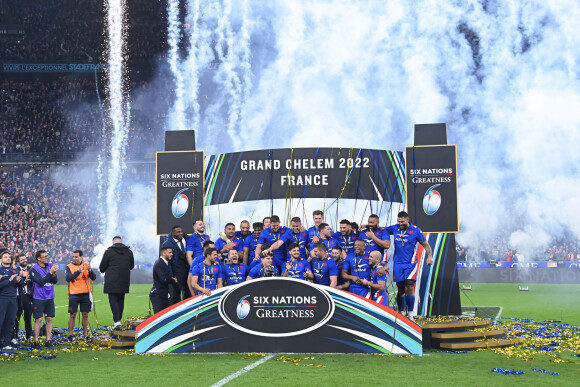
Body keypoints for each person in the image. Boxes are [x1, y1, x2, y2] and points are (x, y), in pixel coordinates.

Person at [384, 211, 433, 316]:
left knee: (409, 287)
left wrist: (430, 256)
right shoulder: (394, 228)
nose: (400, 223)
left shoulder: (416, 230)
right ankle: (401, 314)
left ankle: (410, 315)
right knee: (400, 289)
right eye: (399, 221)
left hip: (411, 263)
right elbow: (382, 230)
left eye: (402, 221)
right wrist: (367, 226)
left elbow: (425, 244)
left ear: (407, 219)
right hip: (398, 263)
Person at [99, 236, 134, 329]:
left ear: (113, 242)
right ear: (121, 242)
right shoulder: (129, 252)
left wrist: (105, 270)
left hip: (112, 280)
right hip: (124, 280)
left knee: (113, 299)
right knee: (121, 300)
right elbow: (131, 266)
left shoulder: (109, 252)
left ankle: (117, 321)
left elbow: (102, 267)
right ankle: (118, 320)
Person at [65, 250, 96, 340]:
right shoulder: (69, 267)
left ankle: (85, 334)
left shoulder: (86, 265)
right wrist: (78, 271)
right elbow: (68, 278)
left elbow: (94, 277)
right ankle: (70, 335)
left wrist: (90, 270)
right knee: (72, 314)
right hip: (73, 294)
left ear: (81, 257)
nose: (74, 259)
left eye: (76, 257)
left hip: (85, 293)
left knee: (85, 314)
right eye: (73, 257)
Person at [29, 250, 58, 348]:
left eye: (47, 255)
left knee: (49, 319)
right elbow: (40, 282)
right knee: (39, 319)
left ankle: (48, 340)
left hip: (50, 297)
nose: (47, 257)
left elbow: (55, 281)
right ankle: (36, 341)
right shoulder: (33, 269)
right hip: (39, 297)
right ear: (39, 258)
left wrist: (54, 274)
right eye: (44, 256)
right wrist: (50, 273)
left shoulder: (50, 265)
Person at [0, 251, 24, 350]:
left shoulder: (15, 271)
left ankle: (6, 343)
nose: (8, 258)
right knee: (1, 321)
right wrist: (9, 280)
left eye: (9, 257)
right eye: (5, 257)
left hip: (13, 298)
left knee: (10, 322)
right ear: (1, 259)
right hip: (2, 298)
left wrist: (19, 281)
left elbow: (21, 285)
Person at [161, 225, 189, 304]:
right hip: (176, 272)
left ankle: (187, 311)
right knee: (176, 294)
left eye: (181, 231)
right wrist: (171, 275)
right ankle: (176, 313)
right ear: (173, 233)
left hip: (187, 270)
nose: (181, 233)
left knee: (188, 292)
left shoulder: (187, 239)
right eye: (178, 232)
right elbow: (167, 262)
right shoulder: (167, 244)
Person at [150, 246, 177, 314]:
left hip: (162, 294)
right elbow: (164, 280)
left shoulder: (163, 263)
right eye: (170, 252)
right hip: (158, 295)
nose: (172, 254)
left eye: (172, 252)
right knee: (159, 317)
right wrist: (173, 280)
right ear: (164, 253)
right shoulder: (159, 263)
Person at [13, 253, 33, 343]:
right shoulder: (15, 270)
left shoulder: (31, 269)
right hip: (19, 297)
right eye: (22, 260)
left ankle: (29, 336)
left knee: (28, 317)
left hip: (28, 296)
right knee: (16, 317)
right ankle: (15, 336)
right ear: (18, 262)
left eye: (25, 259)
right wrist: (22, 276)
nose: (25, 261)